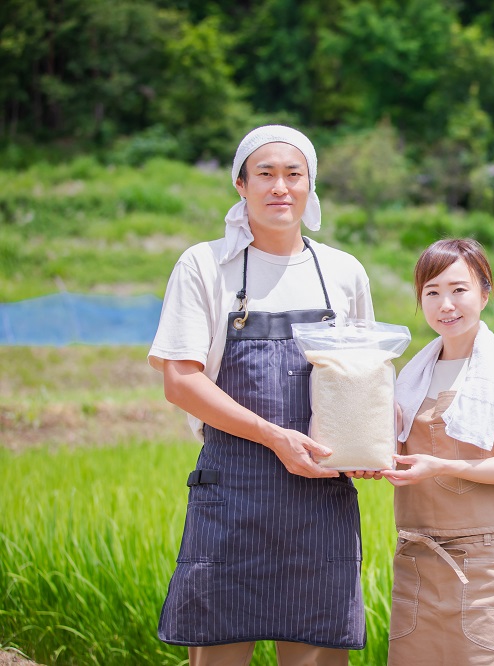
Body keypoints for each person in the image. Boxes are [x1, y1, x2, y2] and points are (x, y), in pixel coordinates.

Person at [148, 125, 377, 666]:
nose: (280, 187)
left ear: (310, 185)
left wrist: (369, 447)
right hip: (233, 492)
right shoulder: (205, 265)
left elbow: (364, 382)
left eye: (293, 174)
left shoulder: (342, 272)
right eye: (265, 174)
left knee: (316, 656)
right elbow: (180, 380)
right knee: (219, 653)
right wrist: (275, 438)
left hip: (318, 494)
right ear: (240, 184)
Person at [381, 238, 494, 665]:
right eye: (432, 292)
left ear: (485, 293)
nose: (446, 304)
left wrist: (442, 466)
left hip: (487, 568)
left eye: (459, 289)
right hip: (417, 561)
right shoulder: (409, 377)